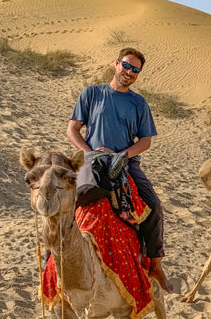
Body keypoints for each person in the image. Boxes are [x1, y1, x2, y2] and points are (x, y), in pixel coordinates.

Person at [66, 47, 173, 292]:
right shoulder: (91, 93)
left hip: (125, 163)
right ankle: (52, 262)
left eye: (135, 70)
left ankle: (155, 264)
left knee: (153, 206)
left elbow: (145, 141)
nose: (129, 72)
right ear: (116, 64)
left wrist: (121, 156)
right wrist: (89, 152)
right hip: (92, 161)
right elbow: (72, 129)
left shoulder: (138, 102)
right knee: (64, 203)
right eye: (126, 65)